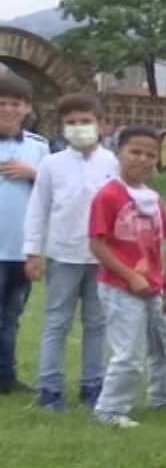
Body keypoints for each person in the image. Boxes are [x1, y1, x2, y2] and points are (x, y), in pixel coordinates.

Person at [86, 126, 166, 429]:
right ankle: (110, 409)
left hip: (152, 286)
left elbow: (158, 246)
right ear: (119, 153)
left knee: (164, 344)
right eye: (135, 152)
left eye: (150, 154)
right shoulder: (108, 195)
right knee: (129, 352)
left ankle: (164, 395)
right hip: (121, 288)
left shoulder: (153, 198)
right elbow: (97, 244)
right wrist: (129, 276)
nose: (143, 160)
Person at [23, 94, 118, 411]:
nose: (79, 128)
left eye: (85, 122)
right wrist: (32, 251)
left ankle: (93, 385)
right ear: (62, 127)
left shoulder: (113, 164)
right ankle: (49, 388)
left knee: (97, 323)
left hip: (101, 257)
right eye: (71, 123)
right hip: (62, 255)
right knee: (56, 323)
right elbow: (38, 209)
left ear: (101, 124)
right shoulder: (51, 164)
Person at [0, 75, 49, 397]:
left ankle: (6, 378)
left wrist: (34, 174)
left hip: (21, 249)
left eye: (15, 103)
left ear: (27, 108)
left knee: (11, 317)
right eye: (1, 103)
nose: (7, 109)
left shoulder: (39, 147)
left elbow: (55, 192)